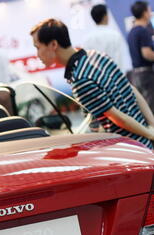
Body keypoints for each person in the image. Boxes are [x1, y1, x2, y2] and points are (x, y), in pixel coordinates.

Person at [30, 18, 154, 149]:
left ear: (53, 45)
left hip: (130, 149)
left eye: (38, 47)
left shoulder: (80, 79)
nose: (37, 54)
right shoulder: (96, 55)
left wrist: (150, 134)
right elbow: (131, 89)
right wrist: (151, 127)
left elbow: (118, 118)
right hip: (144, 141)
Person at [127, 1, 154, 113]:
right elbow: (147, 53)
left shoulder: (132, 31)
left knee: (145, 109)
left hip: (136, 75)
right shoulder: (143, 31)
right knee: (151, 107)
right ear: (144, 13)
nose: (151, 13)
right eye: (149, 10)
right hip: (146, 75)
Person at [82, 4, 127, 70]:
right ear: (105, 16)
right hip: (115, 75)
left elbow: (88, 61)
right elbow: (119, 59)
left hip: (97, 77)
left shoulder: (87, 39)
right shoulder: (114, 35)